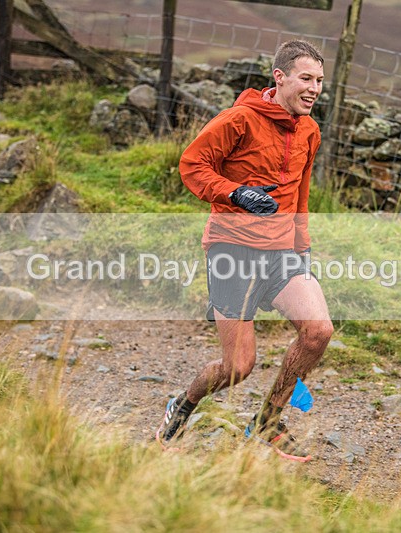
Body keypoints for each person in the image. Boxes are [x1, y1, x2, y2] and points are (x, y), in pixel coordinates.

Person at [155, 40, 333, 463]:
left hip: (281, 252)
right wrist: (235, 193)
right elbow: (192, 165)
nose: (314, 89)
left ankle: (267, 421)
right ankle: (183, 403)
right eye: (306, 79)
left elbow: (301, 194)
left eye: (319, 81)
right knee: (237, 367)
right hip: (231, 250)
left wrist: (302, 248)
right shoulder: (239, 120)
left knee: (318, 332)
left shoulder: (309, 130)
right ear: (280, 77)